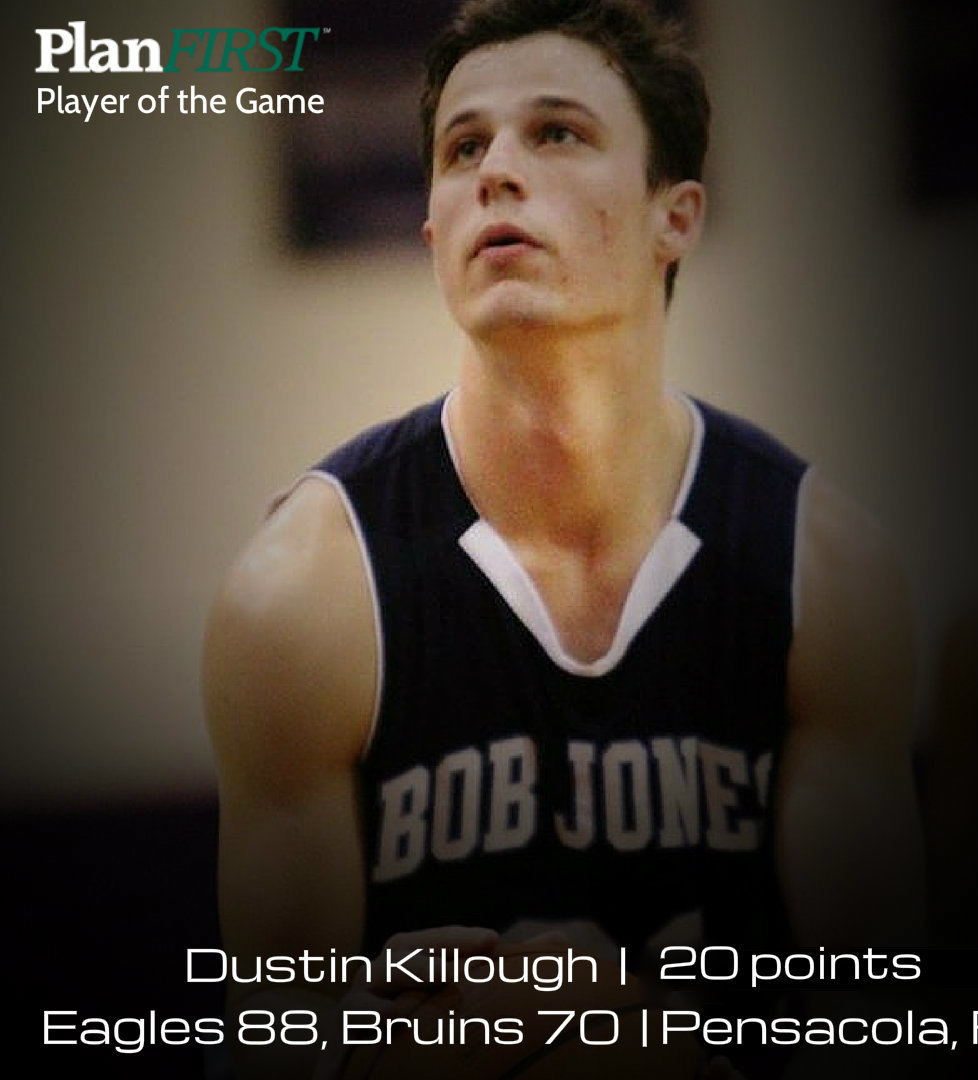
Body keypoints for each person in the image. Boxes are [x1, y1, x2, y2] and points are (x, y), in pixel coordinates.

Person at [203, 1, 925, 1077]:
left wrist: (632, 1038)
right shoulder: (303, 592)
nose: (497, 170)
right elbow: (268, 1051)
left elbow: (878, 1036)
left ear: (675, 217)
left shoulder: (824, 574)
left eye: (556, 132)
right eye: (463, 148)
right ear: (433, 233)